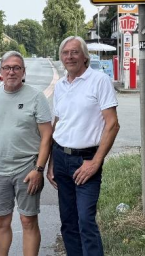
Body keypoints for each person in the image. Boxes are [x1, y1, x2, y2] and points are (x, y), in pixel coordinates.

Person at [47, 36, 120, 256]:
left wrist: (96, 161)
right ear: (61, 57)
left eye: (74, 52)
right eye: (65, 53)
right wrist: (51, 162)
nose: (69, 57)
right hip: (60, 158)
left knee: (85, 220)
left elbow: (113, 124)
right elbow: (57, 124)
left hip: (86, 160)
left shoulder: (99, 81)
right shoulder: (60, 86)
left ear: (85, 56)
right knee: (68, 221)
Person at [0, 51, 53, 256]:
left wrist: (39, 169)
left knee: (28, 220)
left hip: (27, 170)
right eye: (7, 68)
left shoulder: (36, 97)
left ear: (23, 71)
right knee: (0, 220)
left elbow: (47, 135)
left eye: (16, 68)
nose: (11, 72)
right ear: (1, 71)